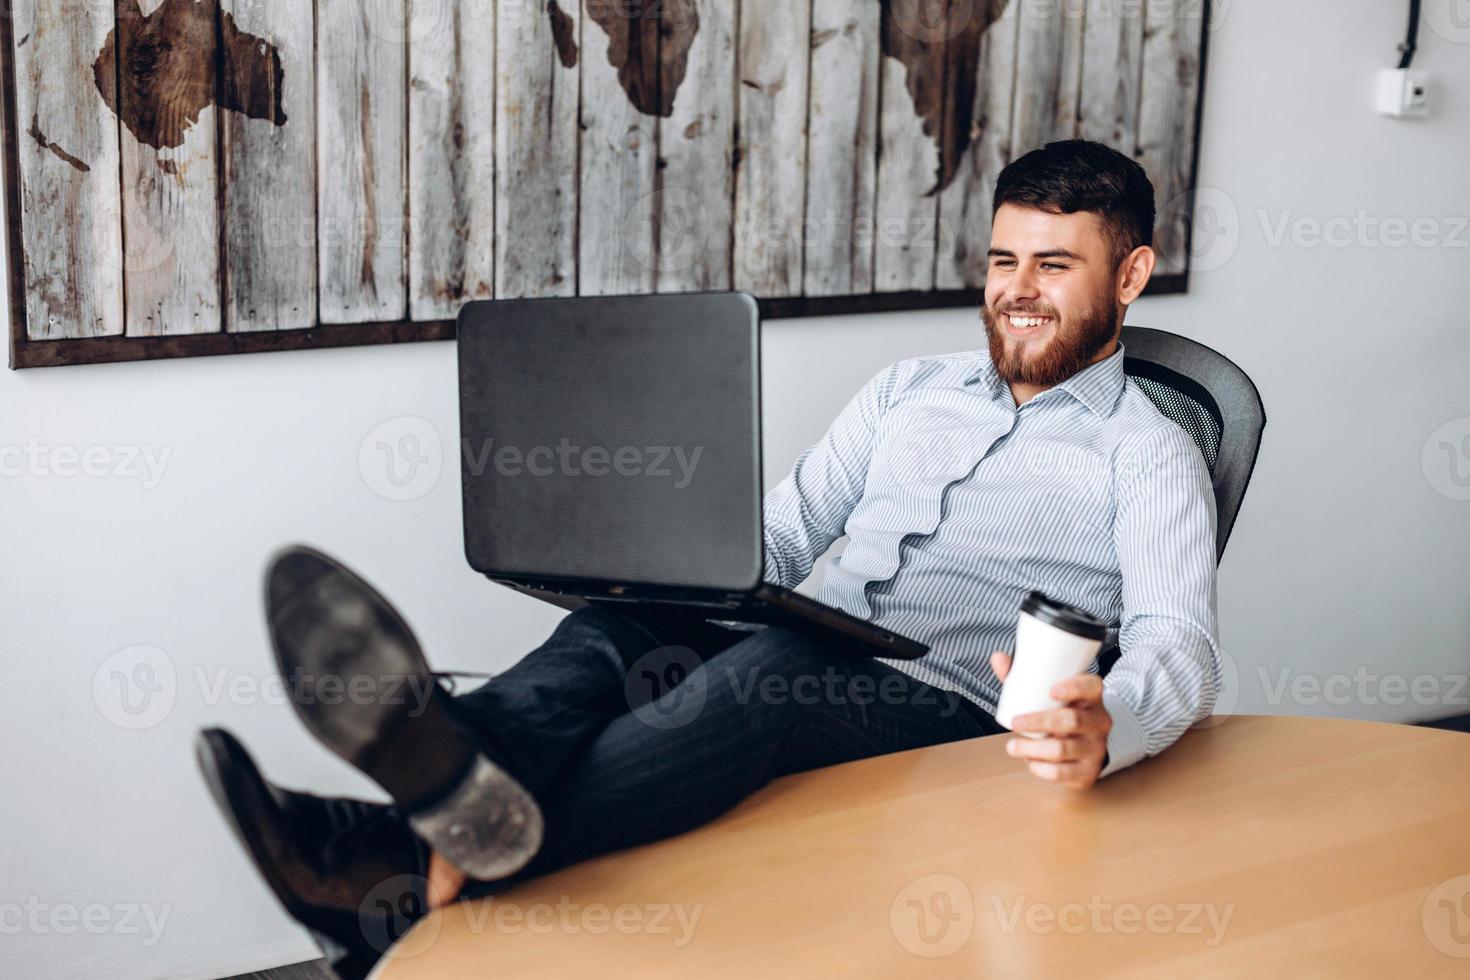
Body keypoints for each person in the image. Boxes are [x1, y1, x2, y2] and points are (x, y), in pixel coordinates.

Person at [197, 139, 1220, 978]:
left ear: (1129, 273)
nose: (1018, 291)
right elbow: (786, 528)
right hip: (804, 631)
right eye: (1004, 261)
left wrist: (1108, 725)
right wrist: (673, 570)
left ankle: (386, 855)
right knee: (616, 628)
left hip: (945, 707)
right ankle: (446, 784)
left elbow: (1180, 644)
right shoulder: (911, 387)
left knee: (774, 675)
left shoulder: (1148, 449)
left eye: (1054, 264)